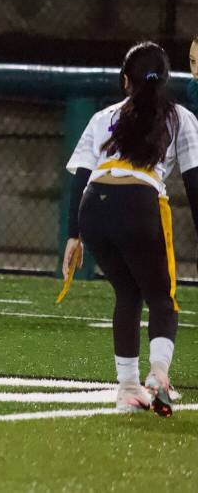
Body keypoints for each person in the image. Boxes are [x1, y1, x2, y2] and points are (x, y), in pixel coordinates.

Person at [64, 41, 198, 416]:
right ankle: (157, 376)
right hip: (140, 204)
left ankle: (127, 388)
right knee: (162, 296)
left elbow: (83, 177)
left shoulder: (102, 116)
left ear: (126, 81)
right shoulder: (180, 118)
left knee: (126, 291)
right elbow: (195, 183)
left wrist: (73, 236)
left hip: (95, 208)